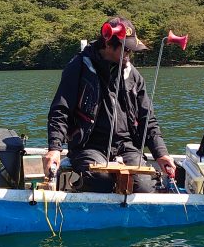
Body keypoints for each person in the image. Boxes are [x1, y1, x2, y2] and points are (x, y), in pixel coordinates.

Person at [44, 17, 177, 192]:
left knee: (144, 186)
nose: (129, 53)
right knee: (100, 181)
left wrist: (161, 153)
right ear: (107, 44)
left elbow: (148, 120)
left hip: (127, 146)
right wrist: (54, 148)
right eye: (126, 49)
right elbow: (61, 110)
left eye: (131, 49)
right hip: (89, 146)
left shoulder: (133, 75)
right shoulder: (78, 67)